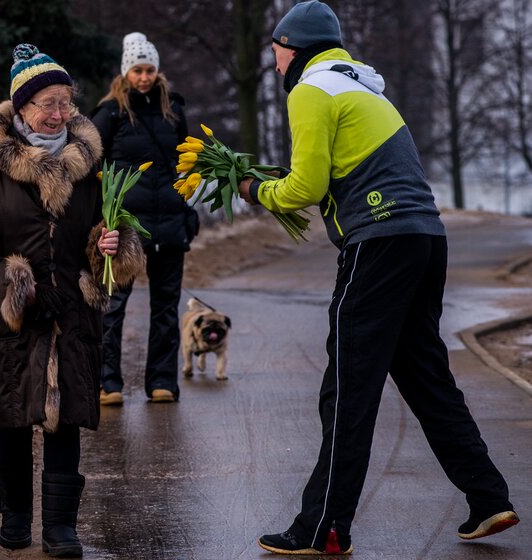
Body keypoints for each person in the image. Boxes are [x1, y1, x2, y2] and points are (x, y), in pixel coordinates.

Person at [238, 1, 519, 555]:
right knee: (427, 380)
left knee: (346, 390)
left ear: (292, 47)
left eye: (275, 51)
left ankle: (324, 527)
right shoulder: (363, 87)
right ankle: (489, 498)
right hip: (425, 240)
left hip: (378, 245)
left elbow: (305, 187)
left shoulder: (311, 89)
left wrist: (253, 190)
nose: (273, 65)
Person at [0, 43, 144, 558]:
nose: (59, 114)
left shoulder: (91, 164)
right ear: (21, 109)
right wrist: (8, 284)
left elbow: (111, 228)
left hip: (71, 308)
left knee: (67, 418)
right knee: (13, 416)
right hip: (14, 312)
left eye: (65, 102)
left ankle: (61, 527)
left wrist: (110, 243)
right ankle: (15, 518)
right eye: (47, 104)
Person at [91, 32, 197, 406]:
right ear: (126, 72)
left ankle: (162, 382)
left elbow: (184, 162)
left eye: (150, 69)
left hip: (169, 221)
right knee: (114, 307)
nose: (145, 77)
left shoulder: (174, 110)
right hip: (125, 226)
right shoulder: (110, 114)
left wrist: (188, 209)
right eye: (137, 70)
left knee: (166, 306)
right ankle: (108, 383)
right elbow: (92, 166)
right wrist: (101, 216)